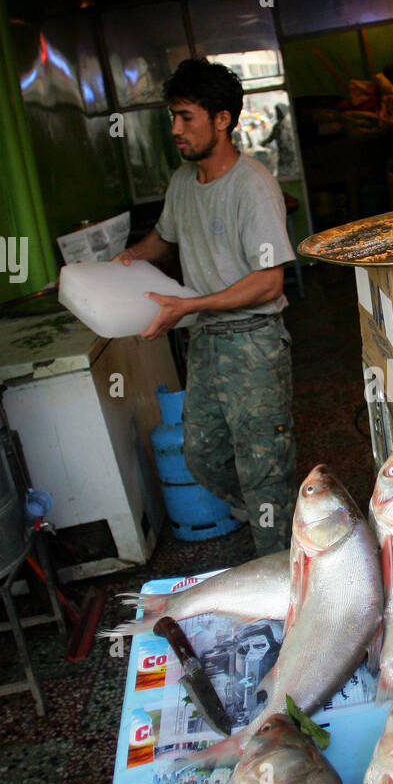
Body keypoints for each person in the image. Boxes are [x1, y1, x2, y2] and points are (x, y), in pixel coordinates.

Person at [114, 59, 296, 557]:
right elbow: (164, 239)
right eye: (172, 116)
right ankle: (286, 515)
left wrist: (189, 304)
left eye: (186, 117)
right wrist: (128, 258)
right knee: (202, 455)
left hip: (252, 342)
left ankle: (281, 570)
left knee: (263, 467)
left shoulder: (252, 187)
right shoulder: (181, 183)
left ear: (222, 119)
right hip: (206, 342)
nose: (174, 129)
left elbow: (267, 282)